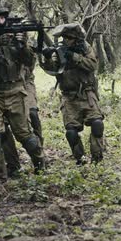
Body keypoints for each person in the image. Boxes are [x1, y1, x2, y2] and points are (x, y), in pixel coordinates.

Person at [0, 6, 45, 179]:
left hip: (15, 91)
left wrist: (21, 45)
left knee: (26, 137)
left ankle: (40, 163)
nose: (1, 22)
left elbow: (30, 62)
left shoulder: (14, 36)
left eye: (3, 18)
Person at [40, 23, 105, 165]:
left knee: (97, 124)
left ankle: (97, 157)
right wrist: (48, 58)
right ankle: (79, 158)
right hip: (69, 97)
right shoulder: (60, 50)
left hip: (87, 94)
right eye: (64, 37)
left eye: (69, 37)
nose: (66, 40)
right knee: (71, 131)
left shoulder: (85, 48)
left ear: (75, 38)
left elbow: (92, 65)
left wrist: (74, 56)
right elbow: (53, 69)